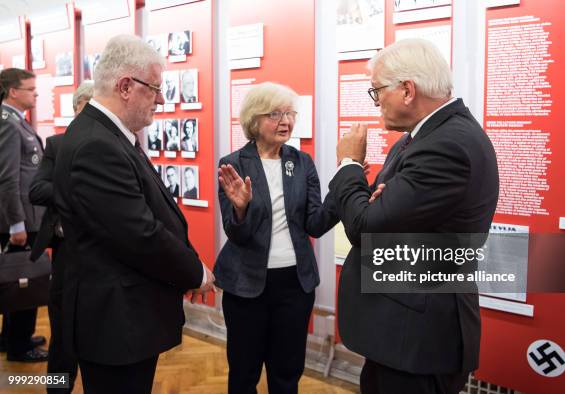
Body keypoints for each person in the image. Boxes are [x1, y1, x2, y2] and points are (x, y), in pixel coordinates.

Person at [329, 38, 499, 394]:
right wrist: (374, 207)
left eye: (377, 92)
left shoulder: (446, 145)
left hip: (418, 337)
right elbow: (377, 214)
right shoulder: (422, 139)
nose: (376, 104)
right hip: (402, 331)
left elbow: (366, 226)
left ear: (407, 90)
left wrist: (347, 163)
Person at [52, 35, 214, 393]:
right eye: (155, 88)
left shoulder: (106, 134)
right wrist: (194, 271)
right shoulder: (97, 143)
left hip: (124, 317)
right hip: (115, 323)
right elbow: (138, 234)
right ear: (126, 86)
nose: (160, 98)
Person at [215, 82, 339, 394]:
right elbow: (235, 232)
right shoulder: (233, 164)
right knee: (244, 373)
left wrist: (343, 191)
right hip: (246, 286)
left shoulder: (301, 162)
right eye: (276, 114)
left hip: (294, 286)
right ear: (254, 121)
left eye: (289, 113)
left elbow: (315, 223)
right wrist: (241, 209)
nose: (286, 121)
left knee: (287, 373)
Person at [29, 81, 94, 393]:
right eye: (89, 106)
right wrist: (74, 191)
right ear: (77, 107)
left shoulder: (118, 145)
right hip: (67, 252)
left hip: (102, 252)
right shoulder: (56, 144)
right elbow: (37, 189)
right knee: (63, 334)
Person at [0, 68, 48, 363]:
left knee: (16, 277)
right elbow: (7, 179)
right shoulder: (7, 124)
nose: (36, 94)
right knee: (23, 279)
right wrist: (16, 223)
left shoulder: (15, 121)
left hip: (25, 216)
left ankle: (10, 337)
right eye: (31, 89)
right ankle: (20, 346)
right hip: (21, 219)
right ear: (13, 92)